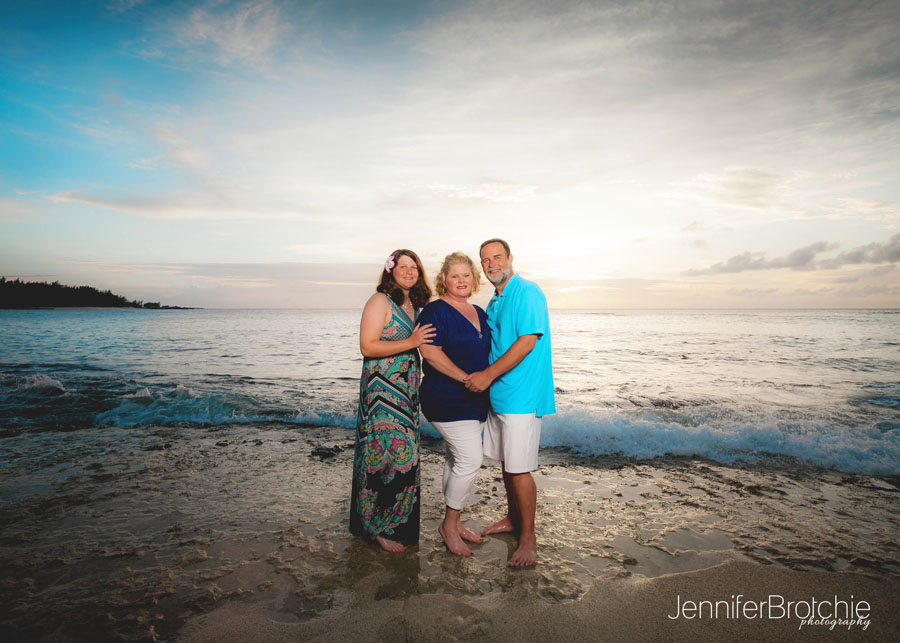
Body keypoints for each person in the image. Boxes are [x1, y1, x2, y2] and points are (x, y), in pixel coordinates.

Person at [464, 238, 555, 567]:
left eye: (497, 257)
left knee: (519, 470)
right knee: (507, 465)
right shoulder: (495, 301)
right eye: (485, 260)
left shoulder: (528, 292)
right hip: (499, 396)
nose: (491, 265)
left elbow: (527, 341)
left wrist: (486, 375)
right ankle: (513, 520)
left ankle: (528, 539)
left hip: (522, 395)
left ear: (510, 258)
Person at [350, 249, 435, 553]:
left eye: (414, 267)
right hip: (381, 391)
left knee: (405, 454)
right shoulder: (379, 301)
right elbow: (367, 346)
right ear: (391, 270)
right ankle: (376, 528)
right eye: (403, 266)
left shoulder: (416, 305)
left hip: (406, 390)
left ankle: (397, 522)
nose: (410, 271)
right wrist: (411, 342)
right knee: (382, 455)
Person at [417, 252, 492, 557]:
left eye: (466, 275)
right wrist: (466, 379)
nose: (461, 281)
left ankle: (453, 523)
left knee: (454, 457)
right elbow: (430, 352)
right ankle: (450, 525)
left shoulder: (480, 312)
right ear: (444, 281)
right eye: (454, 276)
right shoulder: (436, 311)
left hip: (477, 400)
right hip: (445, 397)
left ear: (474, 279)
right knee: (470, 460)